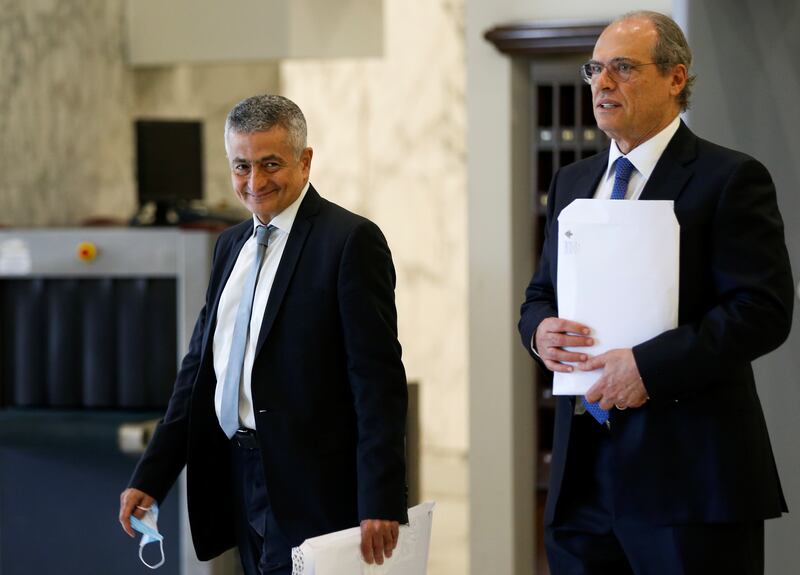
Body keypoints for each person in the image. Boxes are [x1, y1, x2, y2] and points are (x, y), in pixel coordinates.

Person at [518, 11, 794, 575]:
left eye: (623, 68)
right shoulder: (572, 181)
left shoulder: (730, 178)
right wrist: (539, 330)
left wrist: (649, 367)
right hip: (582, 484)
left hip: (689, 479)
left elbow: (762, 310)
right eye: (595, 69)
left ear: (675, 78)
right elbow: (541, 293)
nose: (602, 83)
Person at [119, 95, 408, 575]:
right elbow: (198, 371)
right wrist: (154, 474)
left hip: (314, 489)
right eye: (241, 166)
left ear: (305, 160)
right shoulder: (230, 245)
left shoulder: (350, 242)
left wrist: (380, 497)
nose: (254, 182)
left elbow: (377, 383)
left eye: (270, 164)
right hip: (236, 476)